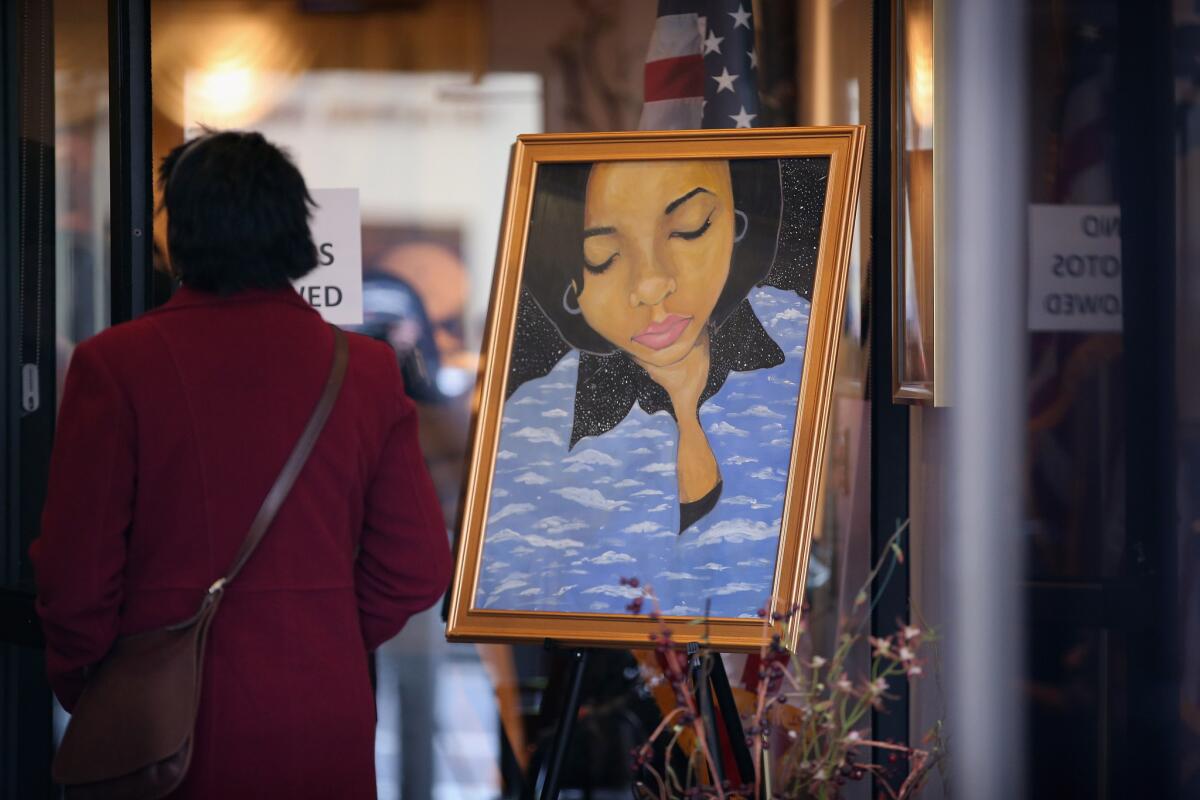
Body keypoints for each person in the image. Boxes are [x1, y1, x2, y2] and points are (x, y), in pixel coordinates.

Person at [30, 130, 452, 798]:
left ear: (178, 232)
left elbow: (77, 573)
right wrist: (326, 630)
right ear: (294, 227)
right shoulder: (366, 370)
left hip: (170, 725)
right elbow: (417, 566)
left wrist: (100, 684)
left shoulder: (115, 365)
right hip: (324, 712)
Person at [507, 157, 824, 532]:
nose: (652, 284)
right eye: (603, 257)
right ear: (571, 288)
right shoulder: (534, 425)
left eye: (690, 228)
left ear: (738, 228)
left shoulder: (808, 345)